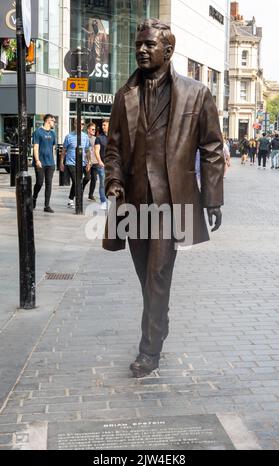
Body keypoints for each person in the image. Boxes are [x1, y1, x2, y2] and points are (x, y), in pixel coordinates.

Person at [103, 19, 224, 378]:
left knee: (157, 273)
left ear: (168, 51)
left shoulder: (195, 93)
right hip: (134, 202)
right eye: (139, 44)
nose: (141, 49)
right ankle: (160, 316)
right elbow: (113, 149)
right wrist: (113, 180)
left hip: (173, 201)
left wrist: (212, 198)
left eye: (149, 45)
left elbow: (213, 146)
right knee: (147, 276)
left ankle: (149, 349)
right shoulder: (124, 95)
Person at [60, 118, 91, 208]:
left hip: (82, 163)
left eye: (82, 124)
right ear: (74, 124)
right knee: (76, 181)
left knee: (88, 177)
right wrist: (61, 163)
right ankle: (75, 199)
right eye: (78, 123)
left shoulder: (85, 136)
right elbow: (64, 150)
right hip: (71, 163)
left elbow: (87, 150)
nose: (80, 126)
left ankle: (72, 197)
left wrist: (89, 162)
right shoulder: (69, 136)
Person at [32, 114, 56, 213]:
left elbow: (53, 147)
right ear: (48, 121)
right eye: (53, 121)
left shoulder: (53, 133)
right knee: (39, 182)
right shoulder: (38, 132)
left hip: (50, 163)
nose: (54, 123)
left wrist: (53, 161)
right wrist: (37, 160)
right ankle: (34, 197)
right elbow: (35, 147)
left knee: (49, 184)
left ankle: (47, 206)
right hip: (40, 162)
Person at [94, 119, 109, 210]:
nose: (103, 127)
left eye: (105, 125)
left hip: (112, 165)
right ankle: (103, 201)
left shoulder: (114, 137)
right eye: (102, 125)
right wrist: (99, 161)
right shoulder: (99, 138)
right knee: (103, 183)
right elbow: (96, 151)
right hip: (102, 164)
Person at [83, 122, 97, 201]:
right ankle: (81, 189)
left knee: (94, 178)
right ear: (88, 130)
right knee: (88, 177)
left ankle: (90, 194)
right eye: (92, 129)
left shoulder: (95, 139)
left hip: (95, 162)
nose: (94, 131)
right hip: (86, 162)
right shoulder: (84, 138)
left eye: (94, 129)